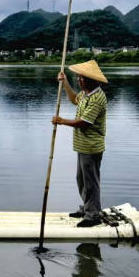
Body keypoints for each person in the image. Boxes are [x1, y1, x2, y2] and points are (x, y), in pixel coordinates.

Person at [52, 60, 108, 228]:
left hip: (91, 146)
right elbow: (74, 99)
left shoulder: (97, 98)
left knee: (91, 181)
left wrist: (61, 121)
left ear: (92, 79)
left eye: (81, 77)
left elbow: (84, 123)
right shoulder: (86, 93)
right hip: (82, 145)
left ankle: (93, 215)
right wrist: (65, 82)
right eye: (77, 77)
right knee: (81, 179)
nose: (79, 80)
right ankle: (87, 208)